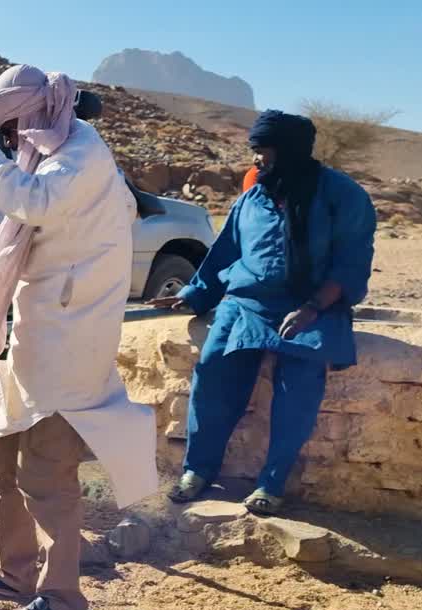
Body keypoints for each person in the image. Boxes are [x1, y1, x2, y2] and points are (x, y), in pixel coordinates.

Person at [0, 67, 159, 610]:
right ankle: (11, 569)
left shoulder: (81, 155)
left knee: (46, 471)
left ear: (34, 115)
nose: (10, 142)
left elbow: (29, 202)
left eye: (10, 129)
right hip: (35, 332)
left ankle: (63, 599)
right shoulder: (45, 148)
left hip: (70, 343)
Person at [151, 110, 376, 515]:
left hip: (314, 307)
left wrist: (313, 307)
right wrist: (195, 295)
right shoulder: (253, 198)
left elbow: (352, 262)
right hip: (247, 305)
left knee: (299, 387)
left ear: (290, 152)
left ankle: (271, 485)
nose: (257, 161)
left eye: (264, 152)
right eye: (255, 152)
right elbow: (225, 254)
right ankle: (198, 471)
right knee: (214, 372)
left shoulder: (343, 195)